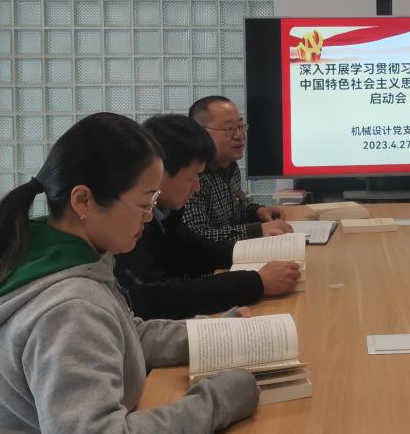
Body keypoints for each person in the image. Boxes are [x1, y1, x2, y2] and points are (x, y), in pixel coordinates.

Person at [0, 113, 258, 434]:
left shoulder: (50, 253)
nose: (150, 218)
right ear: (83, 200)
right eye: (144, 203)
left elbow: (128, 334)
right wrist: (219, 400)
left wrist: (215, 333)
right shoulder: (70, 309)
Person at [114, 114, 302, 320]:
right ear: (159, 172)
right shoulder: (131, 224)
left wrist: (263, 250)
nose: (197, 187)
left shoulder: (166, 212)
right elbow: (158, 297)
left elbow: (196, 250)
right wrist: (257, 282)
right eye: (193, 177)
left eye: (241, 126)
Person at [184, 95, 292, 242]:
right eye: (229, 128)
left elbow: (236, 210)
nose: (240, 135)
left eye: (241, 126)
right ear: (200, 133)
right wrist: (258, 230)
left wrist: (257, 211)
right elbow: (196, 236)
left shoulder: (231, 166)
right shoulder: (191, 176)